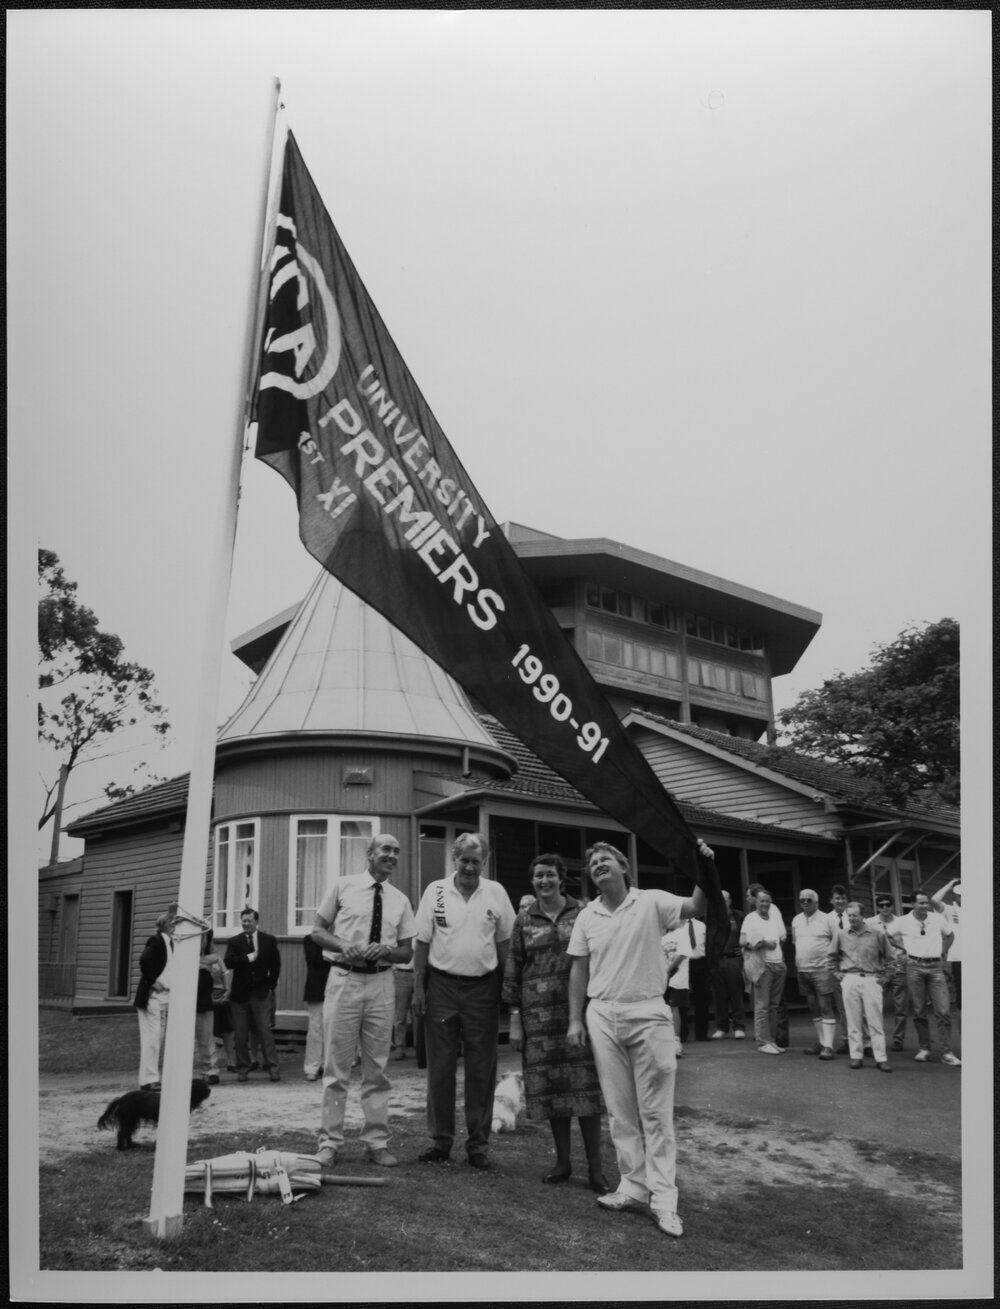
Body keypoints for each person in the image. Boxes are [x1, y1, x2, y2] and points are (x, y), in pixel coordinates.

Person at [566, 838, 714, 1240]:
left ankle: (664, 1200)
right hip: (602, 1015)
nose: (598, 864)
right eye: (592, 862)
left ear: (623, 867)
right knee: (620, 1110)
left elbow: (696, 907)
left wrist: (704, 867)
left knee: (656, 1113)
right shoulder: (587, 916)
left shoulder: (651, 900)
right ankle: (632, 1186)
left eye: (605, 859)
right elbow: (579, 970)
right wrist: (575, 1020)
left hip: (648, 1013)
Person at [502, 854, 608, 1192]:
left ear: (561, 878)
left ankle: (596, 1170)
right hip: (538, 1019)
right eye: (538, 876)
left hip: (579, 1016)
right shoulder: (523, 919)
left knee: (586, 1091)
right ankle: (563, 1162)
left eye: (549, 875)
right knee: (553, 1091)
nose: (544, 881)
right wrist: (516, 1020)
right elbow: (513, 968)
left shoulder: (584, 913)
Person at [311, 833, 416, 1167]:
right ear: (369, 854)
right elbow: (317, 931)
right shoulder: (343, 886)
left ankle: (376, 1142)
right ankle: (329, 1143)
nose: (392, 855)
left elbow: (406, 951)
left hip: (382, 983)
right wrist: (344, 945)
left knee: (377, 1069)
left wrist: (386, 950)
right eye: (385, 849)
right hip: (344, 979)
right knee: (336, 1068)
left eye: (396, 851)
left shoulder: (400, 900)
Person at [412, 832, 516, 1170]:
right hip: (442, 987)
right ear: (454, 859)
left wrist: (508, 990)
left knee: (481, 1069)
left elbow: (504, 944)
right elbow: (422, 942)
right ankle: (440, 1141)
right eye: (464, 860)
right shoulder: (436, 891)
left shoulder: (496, 892)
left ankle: (478, 1146)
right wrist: (418, 988)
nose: (470, 867)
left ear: (484, 861)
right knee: (440, 1068)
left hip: (482, 990)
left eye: (476, 861)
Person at [887, 892, 960, 1066]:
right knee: (919, 1010)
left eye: (926, 903)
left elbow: (950, 935)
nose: (925, 906)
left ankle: (946, 1052)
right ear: (913, 904)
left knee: (943, 1011)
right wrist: (903, 947)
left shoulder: (936, 918)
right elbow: (888, 935)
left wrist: (943, 951)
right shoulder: (903, 921)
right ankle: (924, 1049)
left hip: (935, 968)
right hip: (914, 967)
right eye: (921, 903)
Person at [830, 901, 893, 1071]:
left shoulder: (877, 933)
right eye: (849, 915)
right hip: (850, 979)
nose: (852, 918)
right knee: (853, 1021)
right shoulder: (841, 934)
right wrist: (836, 973)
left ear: (862, 915)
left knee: (875, 1022)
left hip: (871, 979)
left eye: (855, 915)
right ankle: (856, 1056)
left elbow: (891, 958)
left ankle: (881, 1058)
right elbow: (831, 956)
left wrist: (886, 977)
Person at [225, 908, 282, 1082]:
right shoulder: (235, 941)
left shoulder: (268, 940)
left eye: (249, 921)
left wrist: (270, 987)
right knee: (241, 1034)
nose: (246, 924)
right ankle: (242, 1068)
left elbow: (275, 966)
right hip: (239, 996)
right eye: (243, 921)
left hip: (260, 993)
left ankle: (272, 1067)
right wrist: (249, 957)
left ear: (256, 921)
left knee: (265, 1031)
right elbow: (228, 962)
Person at [790, 890, 837, 1059]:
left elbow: (836, 942)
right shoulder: (796, 920)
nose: (805, 902)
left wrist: (832, 965)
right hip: (803, 970)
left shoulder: (827, 919)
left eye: (808, 900)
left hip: (822, 969)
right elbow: (796, 942)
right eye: (802, 900)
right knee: (812, 1007)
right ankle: (822, 1042)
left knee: (825, 1007)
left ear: (816, 902)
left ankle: (829, 1046)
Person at [740, 889, 787, 1055]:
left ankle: (771, 1040)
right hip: (762, 965)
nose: (765, 904)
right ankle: (762, 1042)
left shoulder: (774, 918)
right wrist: (764, 943)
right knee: (762, 1006)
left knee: (774, 1006)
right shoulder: (750, 918)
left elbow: (781, 938)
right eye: (762, 901)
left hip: (778, 964)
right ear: (756, 902)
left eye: (767, 901)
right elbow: (742, 941)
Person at [133, 911, 176, 1090]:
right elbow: (144, 960)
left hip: (164, 998)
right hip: (153, 998)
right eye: (174, 924)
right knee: (152, 1039)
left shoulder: (172, 943)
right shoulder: (157, 941)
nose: (176, 928)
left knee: (157, 1039)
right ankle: (149, 1080)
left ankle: (147, 1079)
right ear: (167, 926)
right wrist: (153, 981)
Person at [866, 895, 910, 1051]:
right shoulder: (870, 922)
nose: (885, 908)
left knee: (901, 1007)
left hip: (898, 966)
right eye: (881, 905)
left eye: (888, 905)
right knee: (875, 1005)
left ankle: (898, 1039)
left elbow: (909, 941)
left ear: (892, 906)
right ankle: (876, 1039)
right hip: (879, 968)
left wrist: (906, 953)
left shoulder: (901, 922)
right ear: (877, 907)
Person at [709, 891, 746, 1040]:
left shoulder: (739, 916)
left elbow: (748, 934)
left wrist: (743, 950)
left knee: (736, 993)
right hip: (716, 960)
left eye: (724, 899)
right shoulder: (711, 917)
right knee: (719, 995)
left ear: (730, 901)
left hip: (733, 959)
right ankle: (721, 1027)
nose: (721, 902)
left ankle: (739, 1027)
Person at [194, 930, 228, 1084]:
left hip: (204, 1001)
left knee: (206, 1037)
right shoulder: (186, 957)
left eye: (204, 938)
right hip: (186, 1001)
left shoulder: (214, 958)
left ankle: (211, 1070)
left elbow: (223, 977)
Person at [825, 884, 852, 1052]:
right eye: (837, 898)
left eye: (843, 898)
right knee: (842, 1005)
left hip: (852, 964)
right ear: (831, 900)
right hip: (836, 965)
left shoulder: (853, 916)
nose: (840, 901)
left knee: (857, 1004)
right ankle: (847, 1040)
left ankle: (864, 1041)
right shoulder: (827, 919)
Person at [302, 934, 331, 1081]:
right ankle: (312, 1067)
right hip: (317, 989)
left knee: (332, 1029)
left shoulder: (340, 937)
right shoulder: (310, 939)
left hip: (336, 989)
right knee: (315, 1029)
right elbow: (316, 960)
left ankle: (327, 1065)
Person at [931, 878, 961, 1011]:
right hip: (959, 958)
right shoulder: (950, 909)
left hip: (979, 957)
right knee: (962, 996)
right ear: (956, 895)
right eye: (960, 895)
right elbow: (934, 900)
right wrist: (950, 884)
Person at [662, 924, 691, 1058]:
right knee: (666, 1009)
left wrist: (668, 971)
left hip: (678, 978)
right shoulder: (663, 937)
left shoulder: (683, 933)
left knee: (674, 1007)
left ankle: (676, 1043)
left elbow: (682, 955)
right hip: (664, 979)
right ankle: (667, 1043)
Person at [391, 956, 415, 1061]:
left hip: (421, 972)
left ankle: (421, 1047)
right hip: (402, 973)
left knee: (422, 1012)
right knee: (400, 1014)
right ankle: (399, 1047)